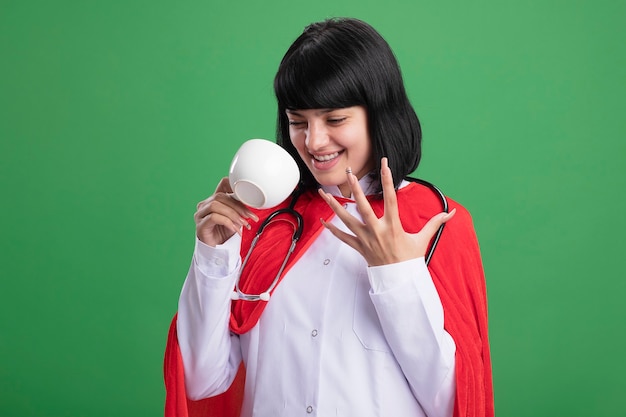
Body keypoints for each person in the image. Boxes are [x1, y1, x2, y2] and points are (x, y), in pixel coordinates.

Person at [164, 17, 493, 417]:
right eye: (297, 122)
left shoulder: (437, 223)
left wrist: (398, 275)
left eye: (335, 119)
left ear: (379, 113)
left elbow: (454, 404)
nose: (313, 142)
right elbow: (202, 381)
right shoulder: (266, 226)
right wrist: (213, 257)